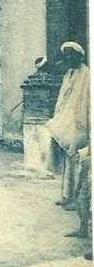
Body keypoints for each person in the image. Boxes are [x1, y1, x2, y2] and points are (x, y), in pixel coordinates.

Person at [45, 41, 90, 210]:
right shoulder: (69, 73)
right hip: (66, 123)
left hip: (79, 123)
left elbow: (86, 101)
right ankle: (66, 196)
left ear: (79, 56)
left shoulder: (87, 75)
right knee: (67, 162)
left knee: (77, 161)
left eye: (71, 55)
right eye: (67, 55)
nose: (68, 58)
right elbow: (63, 99)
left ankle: (76, 200)